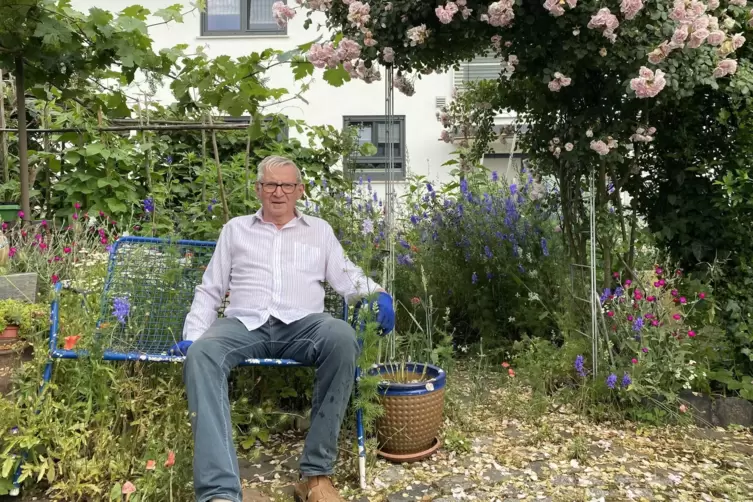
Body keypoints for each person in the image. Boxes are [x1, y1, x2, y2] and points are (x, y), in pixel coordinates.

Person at [169, 155, 395, 502]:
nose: (278, 192)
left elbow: (346, 275)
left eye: (286, 185)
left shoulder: (319, 231)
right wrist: (193, 336)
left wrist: (377, 294)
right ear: (258, 189)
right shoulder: (235, 229)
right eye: (270, 185)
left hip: (303, 325)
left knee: (342, 338)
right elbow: (211, 288)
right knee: (201, 355)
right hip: (245, 324)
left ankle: (316, 477)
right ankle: (220, 492)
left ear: (299, 190)